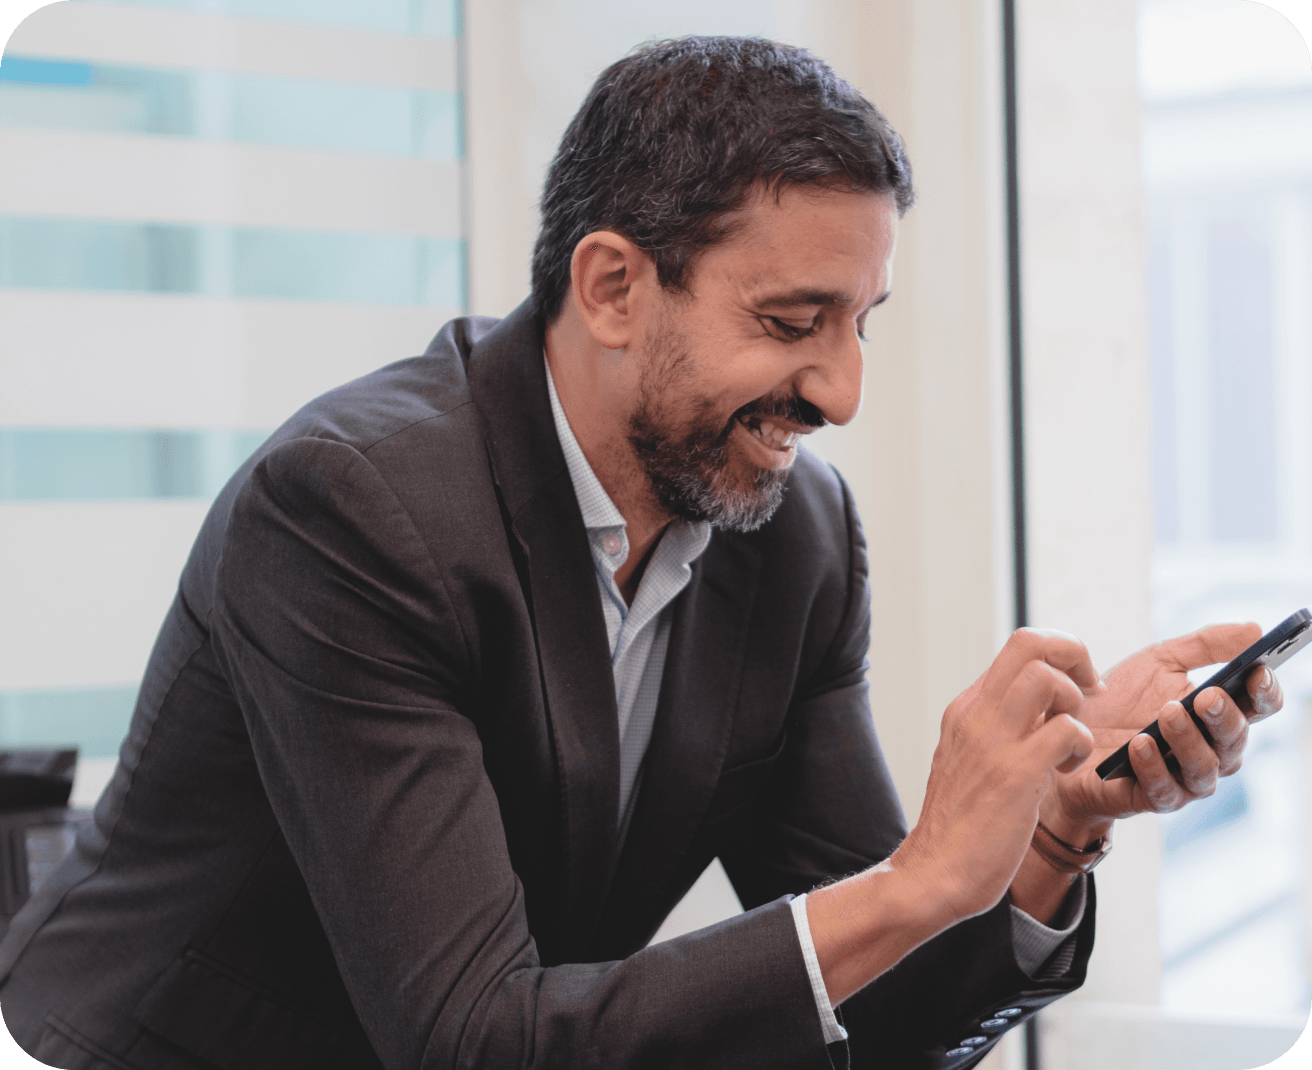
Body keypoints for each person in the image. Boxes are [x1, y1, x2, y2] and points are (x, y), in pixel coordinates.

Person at [0, 36, 1282, 1070]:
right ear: (611, 285)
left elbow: (872, 1016)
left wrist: (1048, 830)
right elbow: (472, 1038)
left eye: (859, 325)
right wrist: (914, 879)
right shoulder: (351, 508)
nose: (838, 392)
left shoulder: (796, 539)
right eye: (791, 321)